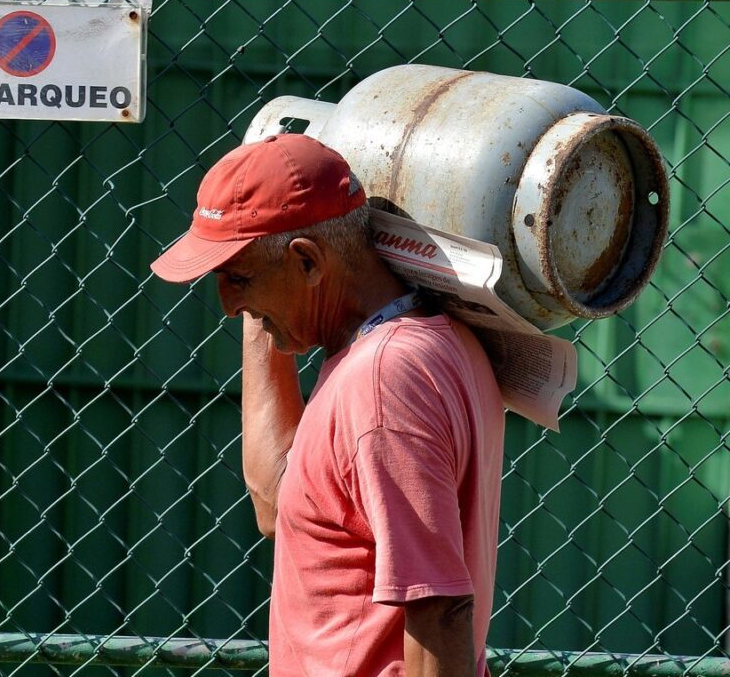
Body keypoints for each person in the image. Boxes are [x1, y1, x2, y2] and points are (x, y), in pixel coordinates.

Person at [150, 133, 505, 677]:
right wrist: (257, 292)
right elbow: (279, 506)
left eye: (236, 279)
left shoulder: (385, 379)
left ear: (309, 263)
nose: (227, 306)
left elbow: (440, 609)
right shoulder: (411, 343)